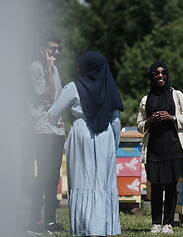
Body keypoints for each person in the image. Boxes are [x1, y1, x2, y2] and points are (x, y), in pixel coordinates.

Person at [48, 51, 124, 236]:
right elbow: (116, 121)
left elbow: (52, 114)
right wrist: (113, 144)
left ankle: (84, 226)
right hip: (105, 134)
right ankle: (104, 227)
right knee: (102, 181)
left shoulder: (73, 87)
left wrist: (57, 122)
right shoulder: (109, 88)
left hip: (81, 134)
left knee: (82, 178)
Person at [137, 61, 183, 234]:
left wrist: (172, 118)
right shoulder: (146, 99)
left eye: (163, 73)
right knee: (155, 187)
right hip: (154, 148)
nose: (160, 76)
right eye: (156, 73)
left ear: (167, 75)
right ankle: (155, 223)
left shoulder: (176, 95)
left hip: (173, 147)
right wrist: (151, 120)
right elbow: (139, 125)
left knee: (170, 186)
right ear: (152, 76)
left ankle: (168, 222)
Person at [27, 33, 66, 234]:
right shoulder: (34, 69)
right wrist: (49, 70)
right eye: (52, 49)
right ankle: (33, 222)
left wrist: (58, 114)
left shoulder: (56, 69)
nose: (56, 53)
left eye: (58, 49)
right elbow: (48, 95)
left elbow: (56, 100)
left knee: (54, 177)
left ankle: (50, 221)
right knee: (43, 174)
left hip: (57, 129)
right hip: (42, 129)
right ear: (42, 49)